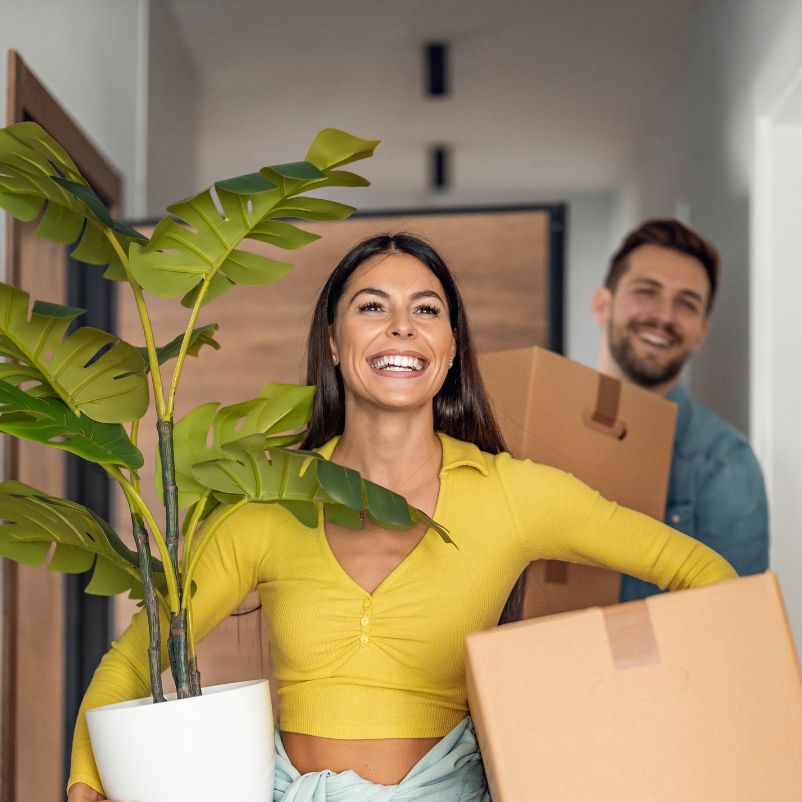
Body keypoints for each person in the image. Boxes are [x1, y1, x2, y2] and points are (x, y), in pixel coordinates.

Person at [68, 233, 736, 801]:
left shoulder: (513, 495)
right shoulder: (269, 503)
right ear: (333, 342)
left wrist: (649, 726)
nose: (401, 327)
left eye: (426, 309)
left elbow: (703, 573)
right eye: (371, 307)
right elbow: (133, 658)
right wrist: (84, 785)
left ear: (448, 349)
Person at [591, 219, 769, 603]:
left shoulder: (724, 463)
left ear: (701, 333)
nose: (664, 316)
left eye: (686, 304)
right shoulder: (536, 425)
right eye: (647, 292)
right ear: (602, 305)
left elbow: (734, 624)